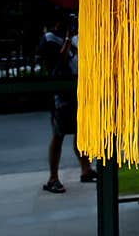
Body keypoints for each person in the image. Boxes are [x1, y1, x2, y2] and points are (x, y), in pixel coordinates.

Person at [37, 12, 97, 193]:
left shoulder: (73, 38)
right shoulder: (50, 39)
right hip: (60, 96)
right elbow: (58, 61)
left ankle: (85, 169)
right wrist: (69, 38)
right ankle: (53, 178)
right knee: (58, 135)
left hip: (77, 93)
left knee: (81, 133)